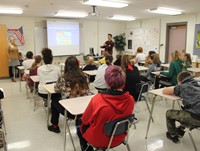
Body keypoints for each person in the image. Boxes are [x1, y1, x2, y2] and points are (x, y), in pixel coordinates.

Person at [78, 65, 134, 151]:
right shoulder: (130, 99)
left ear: (106, 81)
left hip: (99, 140)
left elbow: (85, 120)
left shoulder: (98, 100)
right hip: (119, 137)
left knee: (79, 127)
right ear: (123, 81)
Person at [48, 56, 90, 133]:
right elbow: (88, 90)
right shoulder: (85, 76)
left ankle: (55, 125)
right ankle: (79, 122)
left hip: (70, 111)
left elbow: (56, 89)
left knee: (54, 101)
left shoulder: (63, 78)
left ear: (66, 66)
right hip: (84, 110)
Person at [163, 71, 200, 143]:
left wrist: (177, 87)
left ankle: (172, 134)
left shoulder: (182, 86)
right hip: (196, 113)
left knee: (169, 113)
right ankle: (180, 130)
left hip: (197, 118)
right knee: (185, 111)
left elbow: (165, 91)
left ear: (179, 81)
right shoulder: (197, 85)